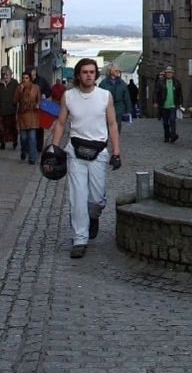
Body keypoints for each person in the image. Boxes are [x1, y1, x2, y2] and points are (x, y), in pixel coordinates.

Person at [50, 57, 121, 259]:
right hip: (75, 150)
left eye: (91, 72)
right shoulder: (69, 96)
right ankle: (80, 238)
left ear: (96, 74)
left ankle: (94, 215)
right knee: (77, 197)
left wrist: (116, 152)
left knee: (96, 198)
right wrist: (55, 149)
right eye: (84, 72)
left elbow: (113, 124)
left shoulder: (105, 96)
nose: (88, 75)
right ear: (78, 75)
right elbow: (61, 123)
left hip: (98, 151)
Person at [14, 71, 42, 164]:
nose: (24, 80)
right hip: (22, 115)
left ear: (30, 79)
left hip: (33, 115)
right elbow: (14, 101)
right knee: (23, 138)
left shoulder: (36, 88)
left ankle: (32, 158)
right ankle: (23, 151)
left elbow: (39, 99)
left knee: (32, 138)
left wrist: (38, 104)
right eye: (23, 78)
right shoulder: (19, 88)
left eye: (26, 78)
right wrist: (20, 91)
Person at [99, 65, 133, 133]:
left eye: (118, 71)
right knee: (107, 123)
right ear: (110, 71)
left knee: (118, 123)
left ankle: (116, 136)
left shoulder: (122, 83)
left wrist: (129, 109)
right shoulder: (104, 83)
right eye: (116, 70)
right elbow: (99, 96)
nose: (118, 72)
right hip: (107, 105)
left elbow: (126, 97)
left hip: (119, 106)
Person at [153, 66, 183, 143]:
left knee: (172, 120)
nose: (169, 74)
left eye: (170, 73)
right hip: (164, 105)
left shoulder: (176, 82)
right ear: (165, 74)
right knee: (165, 122)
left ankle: (173, 135)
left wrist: (180, 103)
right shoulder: (161, 82)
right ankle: (166, 136)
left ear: (173, 74)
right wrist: (155, 102)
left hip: (173, 105)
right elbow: (156, 92)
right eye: (167, 73)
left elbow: (179, 94)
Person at [0, 66, 18, 150]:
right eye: (3, 75)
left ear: (10, 74)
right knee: (1, 128)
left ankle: (14, 141)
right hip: (1, 109)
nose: (5, 77)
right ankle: (2, 143)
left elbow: (18, 94)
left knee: (12, 127)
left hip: (11, 110)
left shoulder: (14, 83)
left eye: (7, 75)